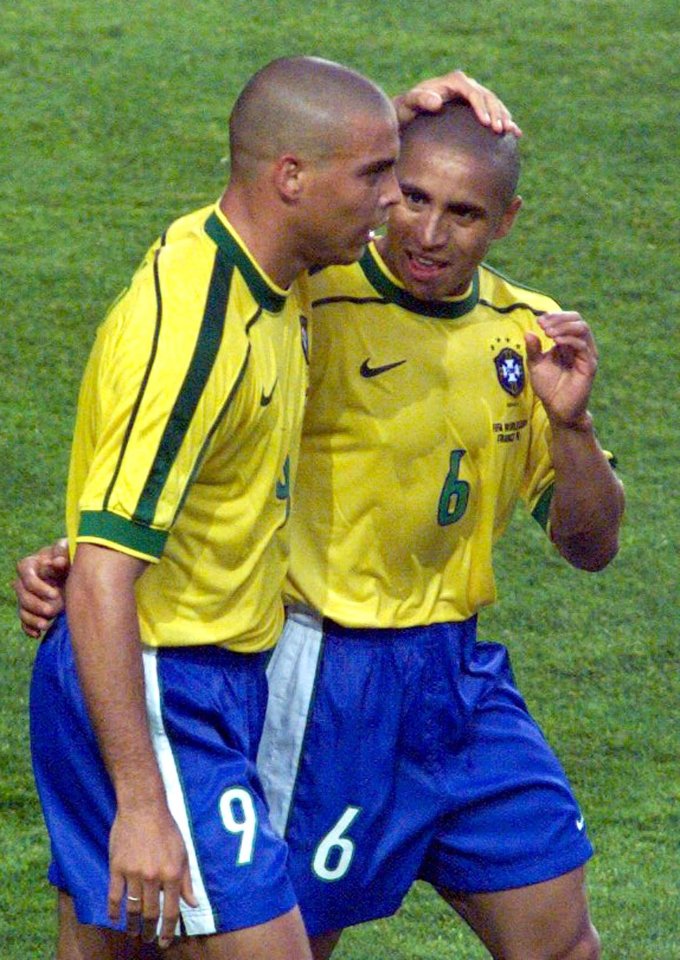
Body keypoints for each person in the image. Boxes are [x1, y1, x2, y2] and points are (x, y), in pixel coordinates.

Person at [15, 102, 618, 960]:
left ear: (508, 220)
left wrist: (572, 428)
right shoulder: (306, 290)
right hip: (313, 675)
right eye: (403, 191)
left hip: (456, 676)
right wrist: (85, 562)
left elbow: (592, 546)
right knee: (236, 934)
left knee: (563, 945)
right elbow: (263, 186)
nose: (426, 230)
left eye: (465, 211)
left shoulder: (527, 336)